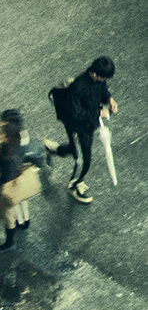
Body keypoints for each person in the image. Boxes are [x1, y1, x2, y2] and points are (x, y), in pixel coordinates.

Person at [47, 55, 118, 201]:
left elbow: (103, 89)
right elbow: (76, 114)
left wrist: (109, 99)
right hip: (77, 128)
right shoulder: (78, 87)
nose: (104, 81)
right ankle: (75, 185)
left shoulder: (97, 81)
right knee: (82, 160)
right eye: (103, 78)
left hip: (90, 124)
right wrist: (99, 113)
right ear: (94, 74)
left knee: (76, 150)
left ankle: (54, 149)